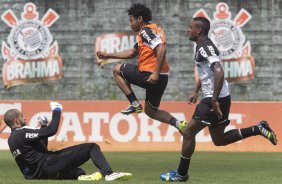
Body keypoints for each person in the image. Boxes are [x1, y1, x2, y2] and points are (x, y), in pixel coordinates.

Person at [160, 17, 277, 182]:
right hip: (222, 98)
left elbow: (219, 71)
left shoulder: (204, 48)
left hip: (212, 101)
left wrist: (213, 100)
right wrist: (195, 90)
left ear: (199, 30)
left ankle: (181, 174)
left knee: (187, 133)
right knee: (219, 140)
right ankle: (257, 129)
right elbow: (208, 72)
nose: (188, 29)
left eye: (190, 27)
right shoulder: (203, 46)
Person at [96, 3, 186, 131]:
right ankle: (179, 124)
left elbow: (161, 48)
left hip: (150, 75)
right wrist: (108, 55)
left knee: (117, 69)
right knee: (151, 111)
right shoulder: (150, 32)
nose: (130, 24)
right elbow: (132, 53)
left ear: (140, 19)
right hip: (163, 78)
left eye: (131, 20)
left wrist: (155, 73)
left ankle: (134, 103)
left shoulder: (146, 32)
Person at [4, 101, 132, 181]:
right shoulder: (23, 132)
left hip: (37, 175)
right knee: (91, 147)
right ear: (16, 120)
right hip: (49, 165)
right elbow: (52, 130)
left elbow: (42, 149)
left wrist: (42, 126)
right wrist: (57, 110)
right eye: (21, 116)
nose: (24, 117)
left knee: (78, 171)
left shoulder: (11, 140)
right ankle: (109, 174)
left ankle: (80, 176)